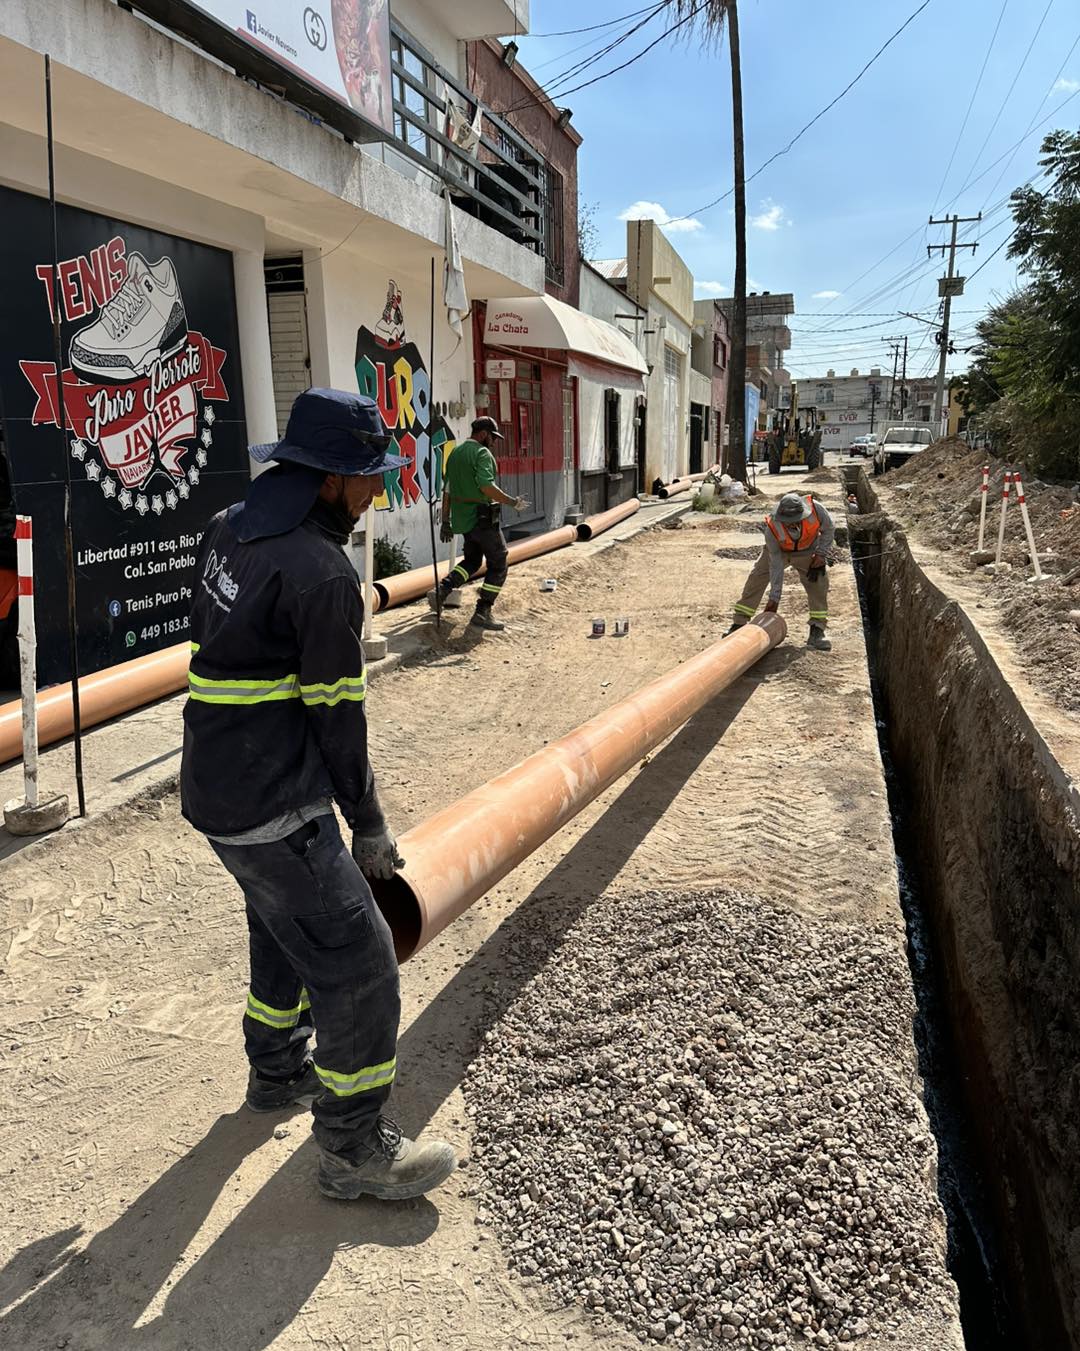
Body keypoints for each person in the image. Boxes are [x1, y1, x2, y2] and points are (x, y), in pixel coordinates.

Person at [181, 387, 457, 1202]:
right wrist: (367, 825)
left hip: (216, 788)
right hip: (276, 805)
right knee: (360, 963)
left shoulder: (228, 527)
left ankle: (275, 1072)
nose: (378, 489)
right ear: (330, 479)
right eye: (369, 475)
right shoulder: (323, 574)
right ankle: (351, 1144)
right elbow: (339, 718)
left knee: (281, 927)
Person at [428, 415, 526, 631]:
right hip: (482, 519)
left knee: (472, 561)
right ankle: (483, 611)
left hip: (463, 520)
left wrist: (446, 521)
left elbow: (447, 491)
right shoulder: (482, 453)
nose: (494, 442)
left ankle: (442, 589)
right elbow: (486, 486)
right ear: (483, 434)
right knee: (499, 561)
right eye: (493, 437)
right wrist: (513, 502)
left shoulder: (455, 453)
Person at [727, 490, 835, 651]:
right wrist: (774, 598)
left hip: (807, 551)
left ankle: (817, 630)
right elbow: (776, 565)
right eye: (788, 521)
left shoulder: (816, 509)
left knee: (818, 584)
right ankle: (739, 623)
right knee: (757, 578)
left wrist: (821, 554)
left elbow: (829, 529)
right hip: (779, 552)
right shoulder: (772, 527)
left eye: (796, 520)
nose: (792, 524)